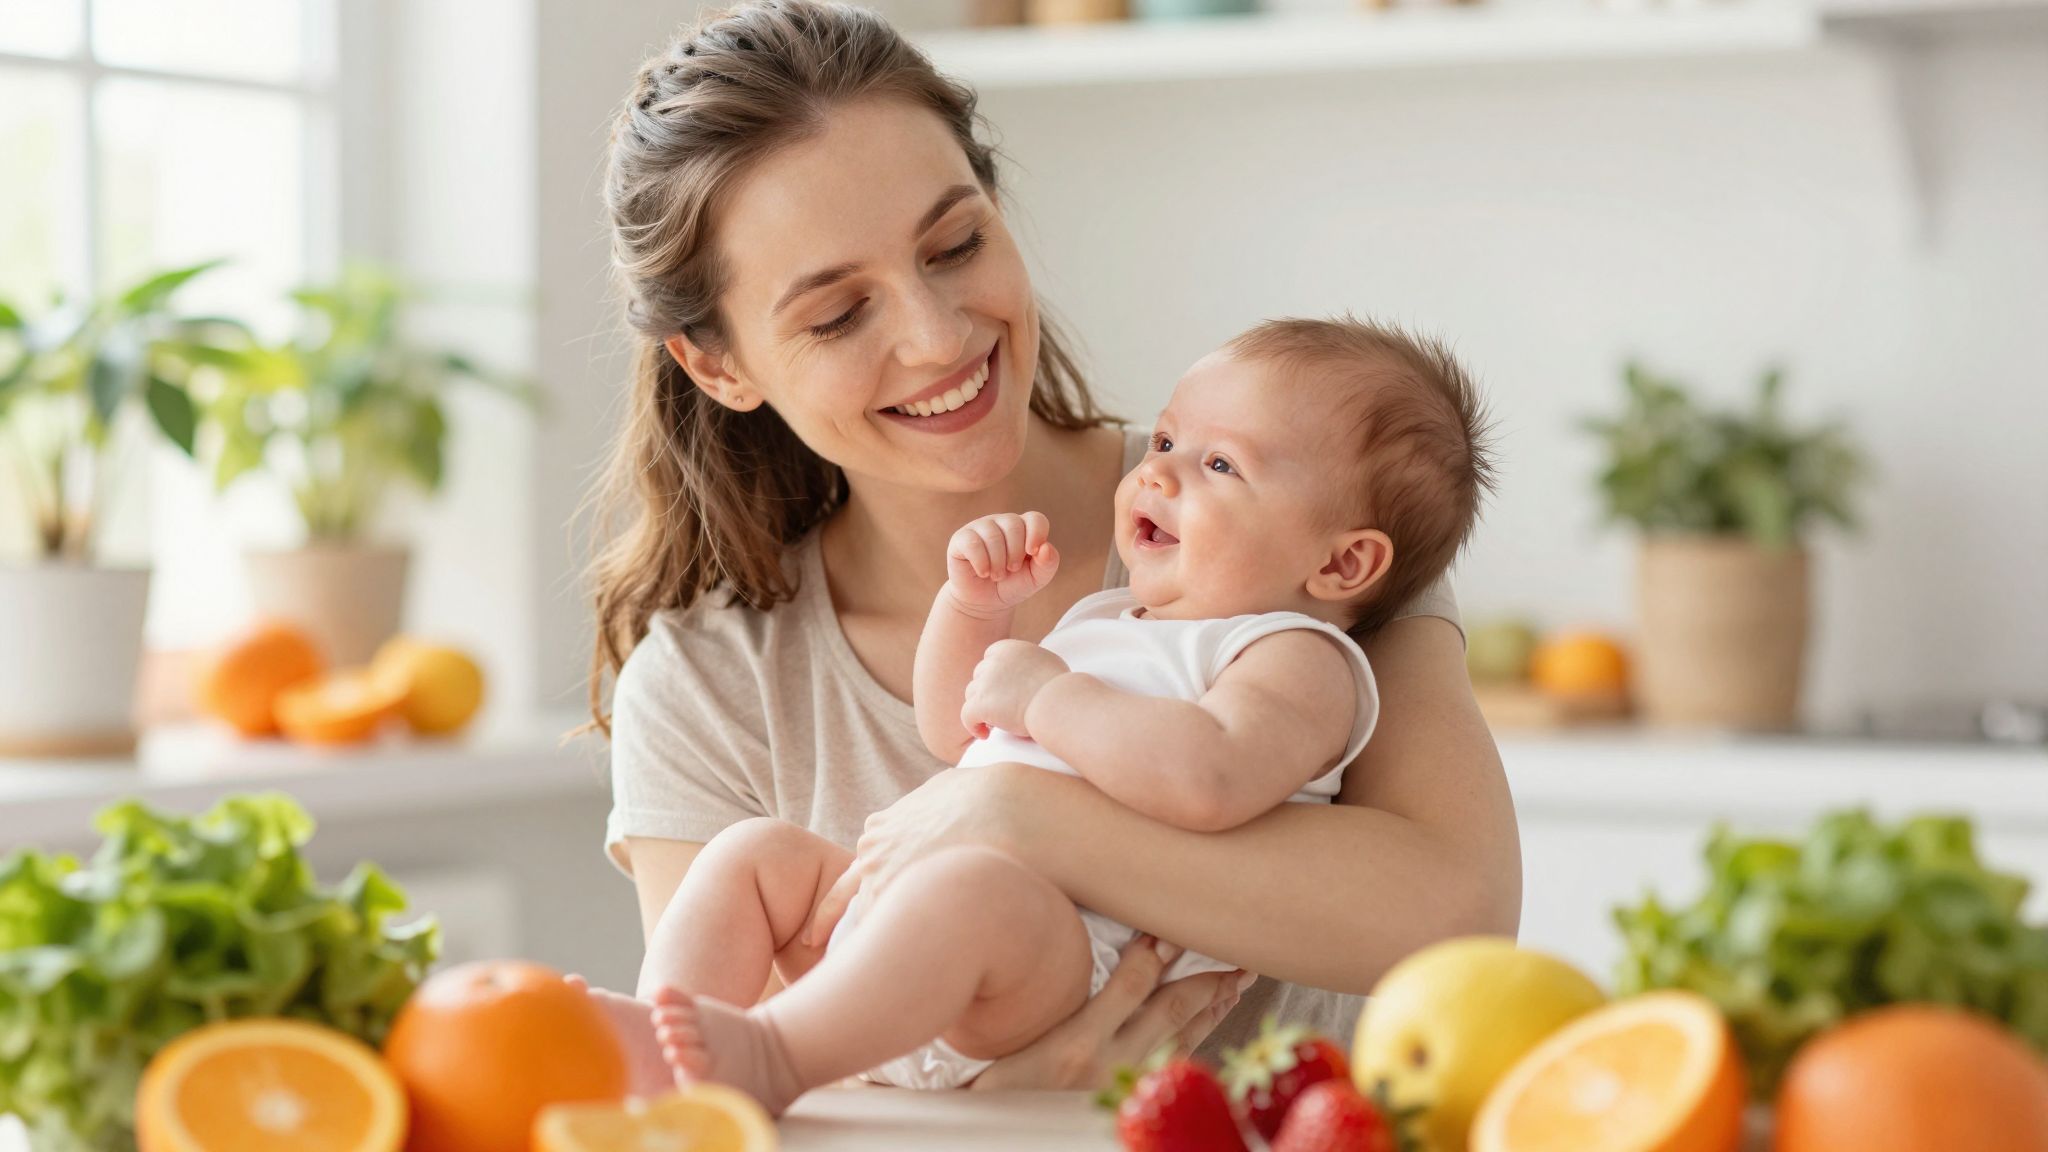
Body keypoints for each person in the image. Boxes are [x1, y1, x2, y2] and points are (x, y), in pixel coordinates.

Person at [586, 0, 1521, 1093]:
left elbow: (1454, 920)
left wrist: (1018, 814)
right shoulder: (709, 683)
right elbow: (724, 1106)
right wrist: (1004, 1110)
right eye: (838, 315)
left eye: (955, 244)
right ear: (717, 366)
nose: (938, 337)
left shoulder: (1289, 528)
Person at [632, 317, 1494, 1115]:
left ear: (1342, 562)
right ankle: (653, 1048)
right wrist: (971, 610)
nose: (1156, 472)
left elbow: (1209, 778)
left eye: (1220, 465)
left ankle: (778, 1055)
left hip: (1068, 965)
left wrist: (1047, 697)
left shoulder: (1295, 657)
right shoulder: (1111, 624)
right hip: (906, 947)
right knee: (756, 856)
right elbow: (956, 729)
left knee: (970, 890)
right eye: (1165, 442)